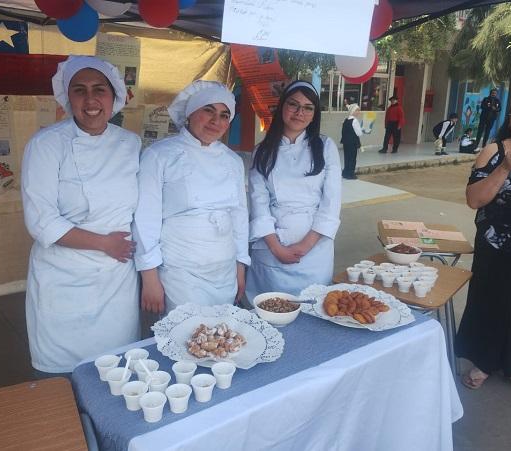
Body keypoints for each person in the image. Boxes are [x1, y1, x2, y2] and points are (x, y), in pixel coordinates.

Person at [21, 56, 141, 374]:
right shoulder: (45, 144)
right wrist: (104, 243)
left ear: (114, 95)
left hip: (116, 280)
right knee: (61, 377)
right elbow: (41, 220)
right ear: (67, 97)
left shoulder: (131, 144)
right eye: (80, 90)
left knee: (117, 370)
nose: (90, 100)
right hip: (63, 277)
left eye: (99, 89)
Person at [134, 80, 249, 315]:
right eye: (208, 110)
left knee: (222, 340)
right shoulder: (159, 155)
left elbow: (240, 218)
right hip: (181, 274)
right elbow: (145, 219)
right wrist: (150, 277)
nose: (216, 121)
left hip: (224, 270)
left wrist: (240, 267)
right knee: (186, 339)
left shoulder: (233, 161)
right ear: (190, 113)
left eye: (224, 115)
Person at [456, 90, 511, 396]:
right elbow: (474, 199)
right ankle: (483, 361)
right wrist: (505, 167)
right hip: (494, 247)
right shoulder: (494, 151)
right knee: (488, 304)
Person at [246, 80, 342, 300]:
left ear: (314, 113)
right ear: (282, 107)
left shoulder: (325, 146)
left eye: (308, 107)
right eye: (294, 105)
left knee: (312, 310)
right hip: (272, 249)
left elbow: (331, 203)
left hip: (314, 251)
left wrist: (305, 245)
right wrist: (277, 249)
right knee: (270, 310)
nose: (300, 112)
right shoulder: (261, 151)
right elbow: (258, 204)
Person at [341, 103, 362, 179]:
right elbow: (359, 133)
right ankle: (350, 174)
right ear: (352, 111)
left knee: (347, 157)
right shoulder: (355, 121)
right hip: (352, 142)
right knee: (352, 158)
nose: (358, 112)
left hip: (345, 142)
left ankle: (345, 172)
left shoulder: (345, 120)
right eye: (357, 110)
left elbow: (343, 132)